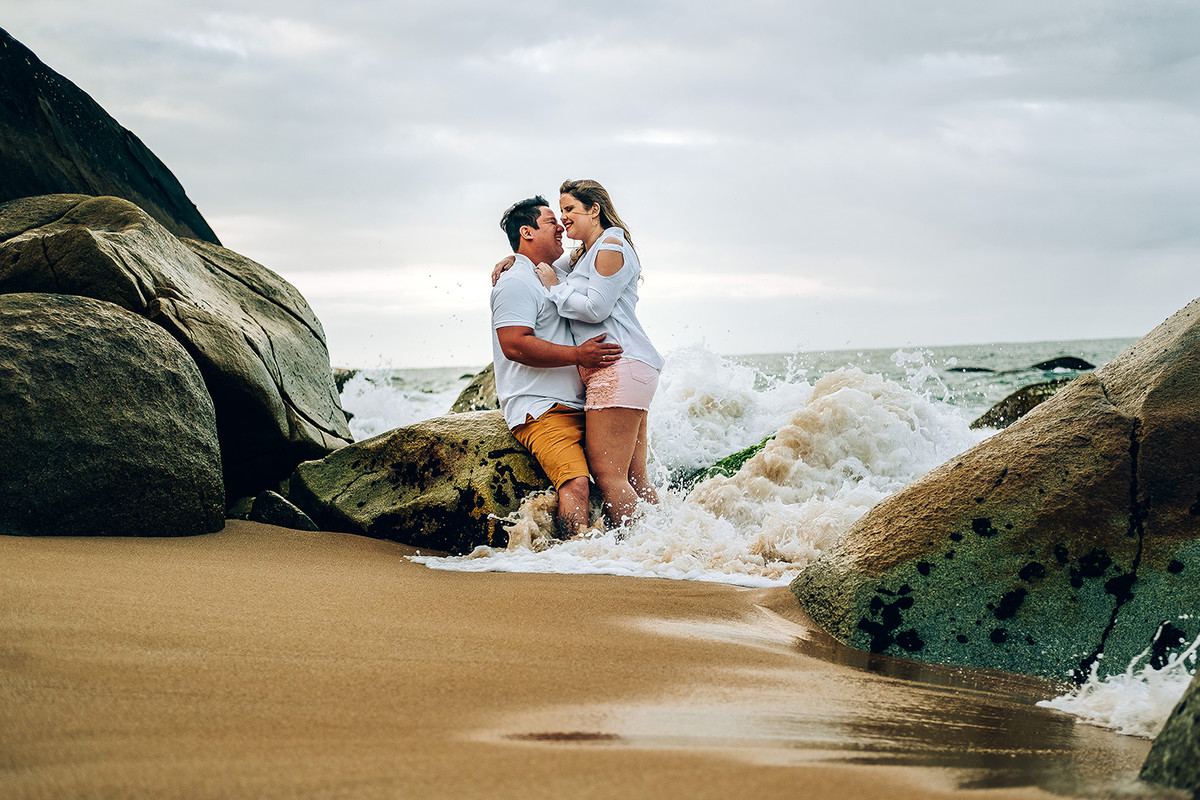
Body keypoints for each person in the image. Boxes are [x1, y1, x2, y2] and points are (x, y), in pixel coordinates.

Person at [491, 196, 623, 537]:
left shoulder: (551, 272)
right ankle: (572, 559)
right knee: (577, 484)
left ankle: (633, 553)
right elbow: (514, 344)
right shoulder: (515, 282)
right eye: (552, 222)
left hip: (579, 404)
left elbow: (589, 256)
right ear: (527, 232)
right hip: (541, 407)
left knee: (620, 480)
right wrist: (579, 355)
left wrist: (514, 256)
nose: (562, 227)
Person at [536, 179, 663, 526]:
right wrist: (513, 259)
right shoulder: (584, 254)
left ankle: (640, 548)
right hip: (625, 366)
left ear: (594, 210)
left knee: (609, 477)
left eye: (569, 209)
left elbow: (596, 309)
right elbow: (545, 266)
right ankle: (666, 540)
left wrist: (555, 289)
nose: (563, 217)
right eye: (560, 210)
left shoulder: (610, 245)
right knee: (634, 477)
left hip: (618, 365)